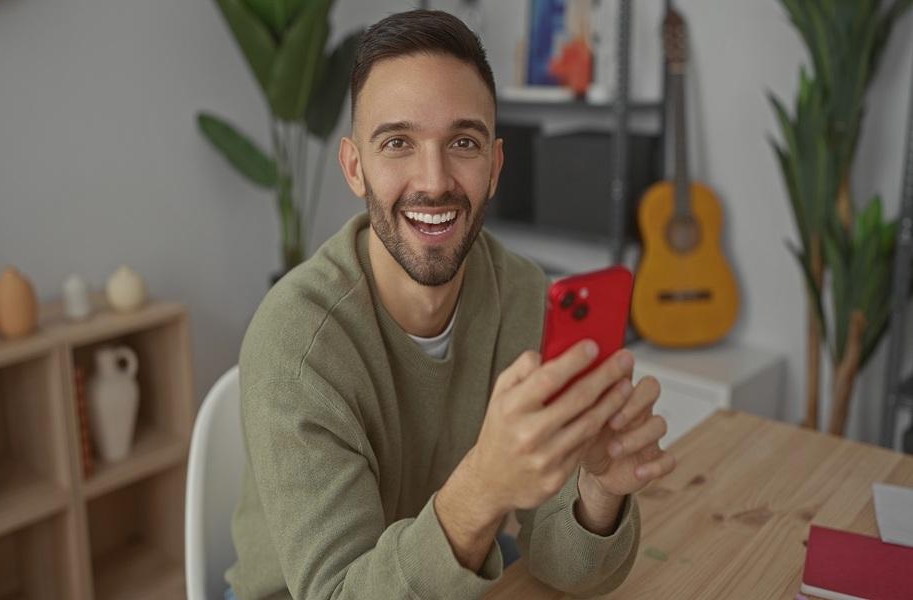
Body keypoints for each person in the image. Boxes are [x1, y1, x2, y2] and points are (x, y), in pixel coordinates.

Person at [225, 9, 675, 600]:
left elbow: (566, 567)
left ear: (495, 166)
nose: (434, 181)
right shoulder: (297, 342)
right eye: (398, 143)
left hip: (450, 572)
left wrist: (599, 491)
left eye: (463, 142)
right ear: (355, 168)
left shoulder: (522, 296)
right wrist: (484, 487)